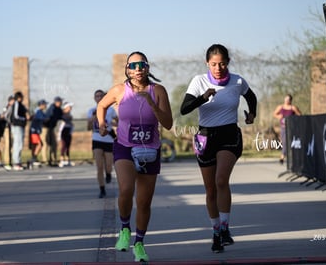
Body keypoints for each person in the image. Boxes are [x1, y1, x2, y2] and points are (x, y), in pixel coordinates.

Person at [180, 44, 257, 253]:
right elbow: (184, 108)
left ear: (228, 62)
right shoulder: (199, 81)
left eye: (222, 63)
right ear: (207, 63)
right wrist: (202, 97)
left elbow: (251, 97)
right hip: (206, 136)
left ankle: (225, 228)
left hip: (229, 135)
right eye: (214, 64)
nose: (218, 67)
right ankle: (215, 232)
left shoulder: (237, 81)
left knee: (221, 180)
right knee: (210, 189)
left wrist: (252, 114)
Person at [96, 51, 173, 262]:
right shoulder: (119, 90)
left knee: (144, 201)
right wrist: (102, 123)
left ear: (147, 67)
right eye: (133, 65)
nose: (138, 69)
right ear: (127, 69)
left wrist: (152, 103)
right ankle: (124, 229)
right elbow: (101, 105)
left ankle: (139, 244)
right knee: (126, 189)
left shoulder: (158, 91)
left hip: (150, 149)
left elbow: (168, 123)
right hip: (124, 146)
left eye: (142, 64)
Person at [87, 89, 118, 198]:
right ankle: (102, 189)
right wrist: (92, 120)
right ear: (94, 98)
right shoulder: (91, 111)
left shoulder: (110, 110)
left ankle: (108, 173)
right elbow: (88, 128)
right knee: (99, 166)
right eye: (97, 96)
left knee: (109, 165)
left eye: (101, 96)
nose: (99, 98)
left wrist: (112, 122)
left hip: (108, 139)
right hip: (97, 139)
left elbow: (118, 122)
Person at [273, 94, 301, 164]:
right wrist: (278, 116)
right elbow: (274, 114)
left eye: (288, 99)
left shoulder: (293, 108)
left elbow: (300, 115)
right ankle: (285, 156)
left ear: (290, 100)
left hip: (291, 128)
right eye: (285, 99)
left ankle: (283, 157)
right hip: (283, 127)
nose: (286, 101)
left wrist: (294, 120)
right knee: (285, 141)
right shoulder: (280, 107)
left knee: (289, 142)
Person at [11, 91, 29, 171]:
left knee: (20, 144)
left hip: (21, 126)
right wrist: (24, 119)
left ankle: (18, 161)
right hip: (17, 126)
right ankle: (16, 162)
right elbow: (15, 116)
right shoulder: (16, 104)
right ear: (18, 97)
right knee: (17, 144)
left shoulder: (21, 105)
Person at [44, 96, 63, 166]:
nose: (61, 103)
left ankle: (53, 159)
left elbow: (61, 116)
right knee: (46, 144)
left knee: (54, 145)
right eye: (60, 101)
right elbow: (48, 117)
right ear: (56, 102)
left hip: (53, 128)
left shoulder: (59, 109)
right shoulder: (52, 108)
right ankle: (45, 160)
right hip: (48, 128)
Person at [29, 99, 48, 165]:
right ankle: (33, 158)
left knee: (35, 145)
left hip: (35, 131)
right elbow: (44, 119)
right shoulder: (39, 112)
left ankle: (34, 158)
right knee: (40, 144)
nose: (46, 105)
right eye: (45, 104)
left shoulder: (39, 111)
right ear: (41, 105)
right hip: (34, 131)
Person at [58, 102, 74, 168]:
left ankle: (67, 160)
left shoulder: (69, 115)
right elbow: (61, 125)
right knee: (63, 146)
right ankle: (61, 160)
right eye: (69, 107)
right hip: (63, 132)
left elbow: (71, 124)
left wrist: (71, 131)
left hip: (68, 131)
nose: (70, 108)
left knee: (68, 146)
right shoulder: (62, 115)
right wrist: (59, 136)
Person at [1, 95, 15, 169]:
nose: (14, 102)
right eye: (13, 101)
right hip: (7, 127)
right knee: (8, 144)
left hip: (10, 128)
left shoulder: (10, 108)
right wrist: (11, 122)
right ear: (9, 101)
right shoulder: (9, 108)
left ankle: (10, 162)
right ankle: (7, 163)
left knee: (11, 145)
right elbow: (5, 116)